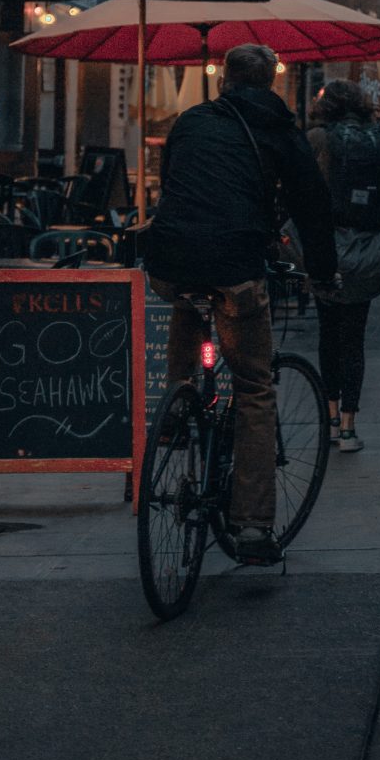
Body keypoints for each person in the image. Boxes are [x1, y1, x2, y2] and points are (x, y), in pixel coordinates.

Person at [141, 41, 337, 564]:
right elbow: (312, 206)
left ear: (224, 79)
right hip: (235, 267)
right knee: (253, 387)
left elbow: (174, 186)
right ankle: (252, 527)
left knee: (188, 298)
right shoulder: (280, 132)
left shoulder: (190, 122)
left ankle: (177, 406)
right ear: (270, 80)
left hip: (171, 259)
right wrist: (323, 274)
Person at [306, 78, 380, 453]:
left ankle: (328, 419)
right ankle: (349, 427)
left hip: (326, 246)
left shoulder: (317, 139)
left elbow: (303, 193)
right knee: (354, 338)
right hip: (366, 248)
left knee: (328, 333)